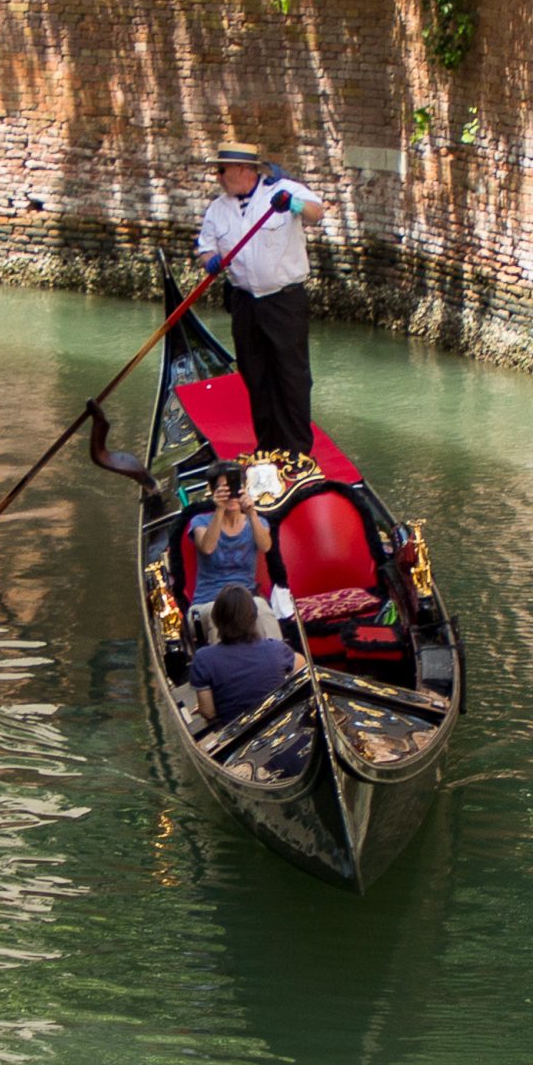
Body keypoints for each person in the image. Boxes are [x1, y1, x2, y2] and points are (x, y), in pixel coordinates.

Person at [194, 139, 326, 462]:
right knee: (255, 374)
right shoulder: (218, 208)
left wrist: (293, 203)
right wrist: (210, 261)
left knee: (290, 376)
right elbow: (205, 247)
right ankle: (268, 448)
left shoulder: (281, 190)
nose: (218, 177)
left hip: (284, 301)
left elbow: (316, 213)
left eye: (221, 170)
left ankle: (297, 453)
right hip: (244, 303)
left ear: (243, 170)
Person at [188, 585, 295, 728]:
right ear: (254, 617)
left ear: (216, 619)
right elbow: (301, 665)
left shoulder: (203, 659)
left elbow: (208, 712)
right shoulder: (277, 649)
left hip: (236, 738)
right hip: (277, 730)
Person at [186, 465, 271, 625]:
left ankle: (274, 649)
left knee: (262, 609)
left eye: (233, 488)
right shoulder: (200, 522)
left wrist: (251, 513)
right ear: (213, 492)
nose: (230, 496)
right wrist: (219, 509)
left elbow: (265, 546)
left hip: (245, 600)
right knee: (222, 617)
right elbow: (208, 548)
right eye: (224, 490)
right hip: (207, 602)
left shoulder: (258, 522)